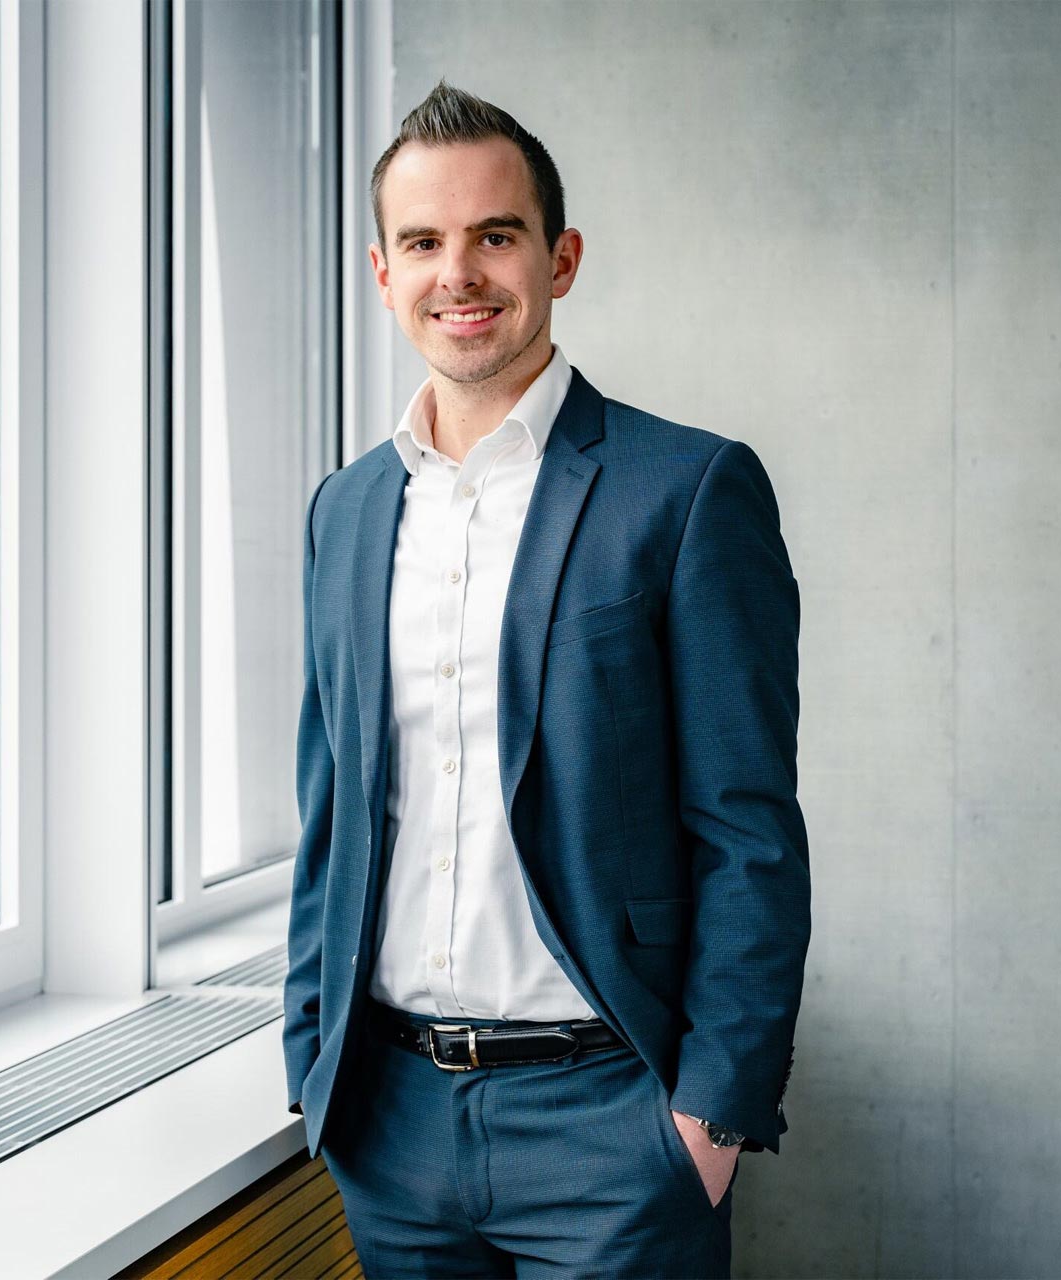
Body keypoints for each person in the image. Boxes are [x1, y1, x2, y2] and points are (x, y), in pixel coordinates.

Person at [282, 80, 811, 1278]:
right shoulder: (347, 510)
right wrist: (311, 1051)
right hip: (391, 1122)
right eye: (423, 241)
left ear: (559, 258)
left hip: (613, 1125)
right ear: (382, 271)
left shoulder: (685, 491)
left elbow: (749, 829)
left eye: (495, 235)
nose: (457, 271)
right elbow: (332, 811)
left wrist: (709, 1119)